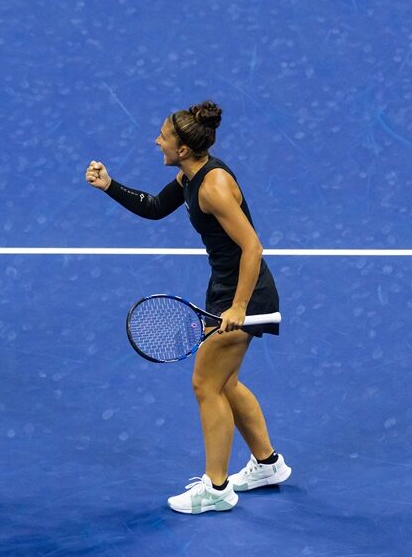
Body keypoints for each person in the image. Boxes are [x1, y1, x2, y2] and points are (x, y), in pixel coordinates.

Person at [85, 100, 291, 514]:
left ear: (182, 149)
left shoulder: (212, 187)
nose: (156, 141)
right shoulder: (189, 174)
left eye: (163, 137)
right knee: (226, 383)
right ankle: (268, 465)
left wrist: (238, 307)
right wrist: (111, 185)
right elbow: (155, 207)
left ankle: (216, 490)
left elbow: (252, 247)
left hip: (244, 296)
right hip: (226, 290)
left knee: (205, 384)